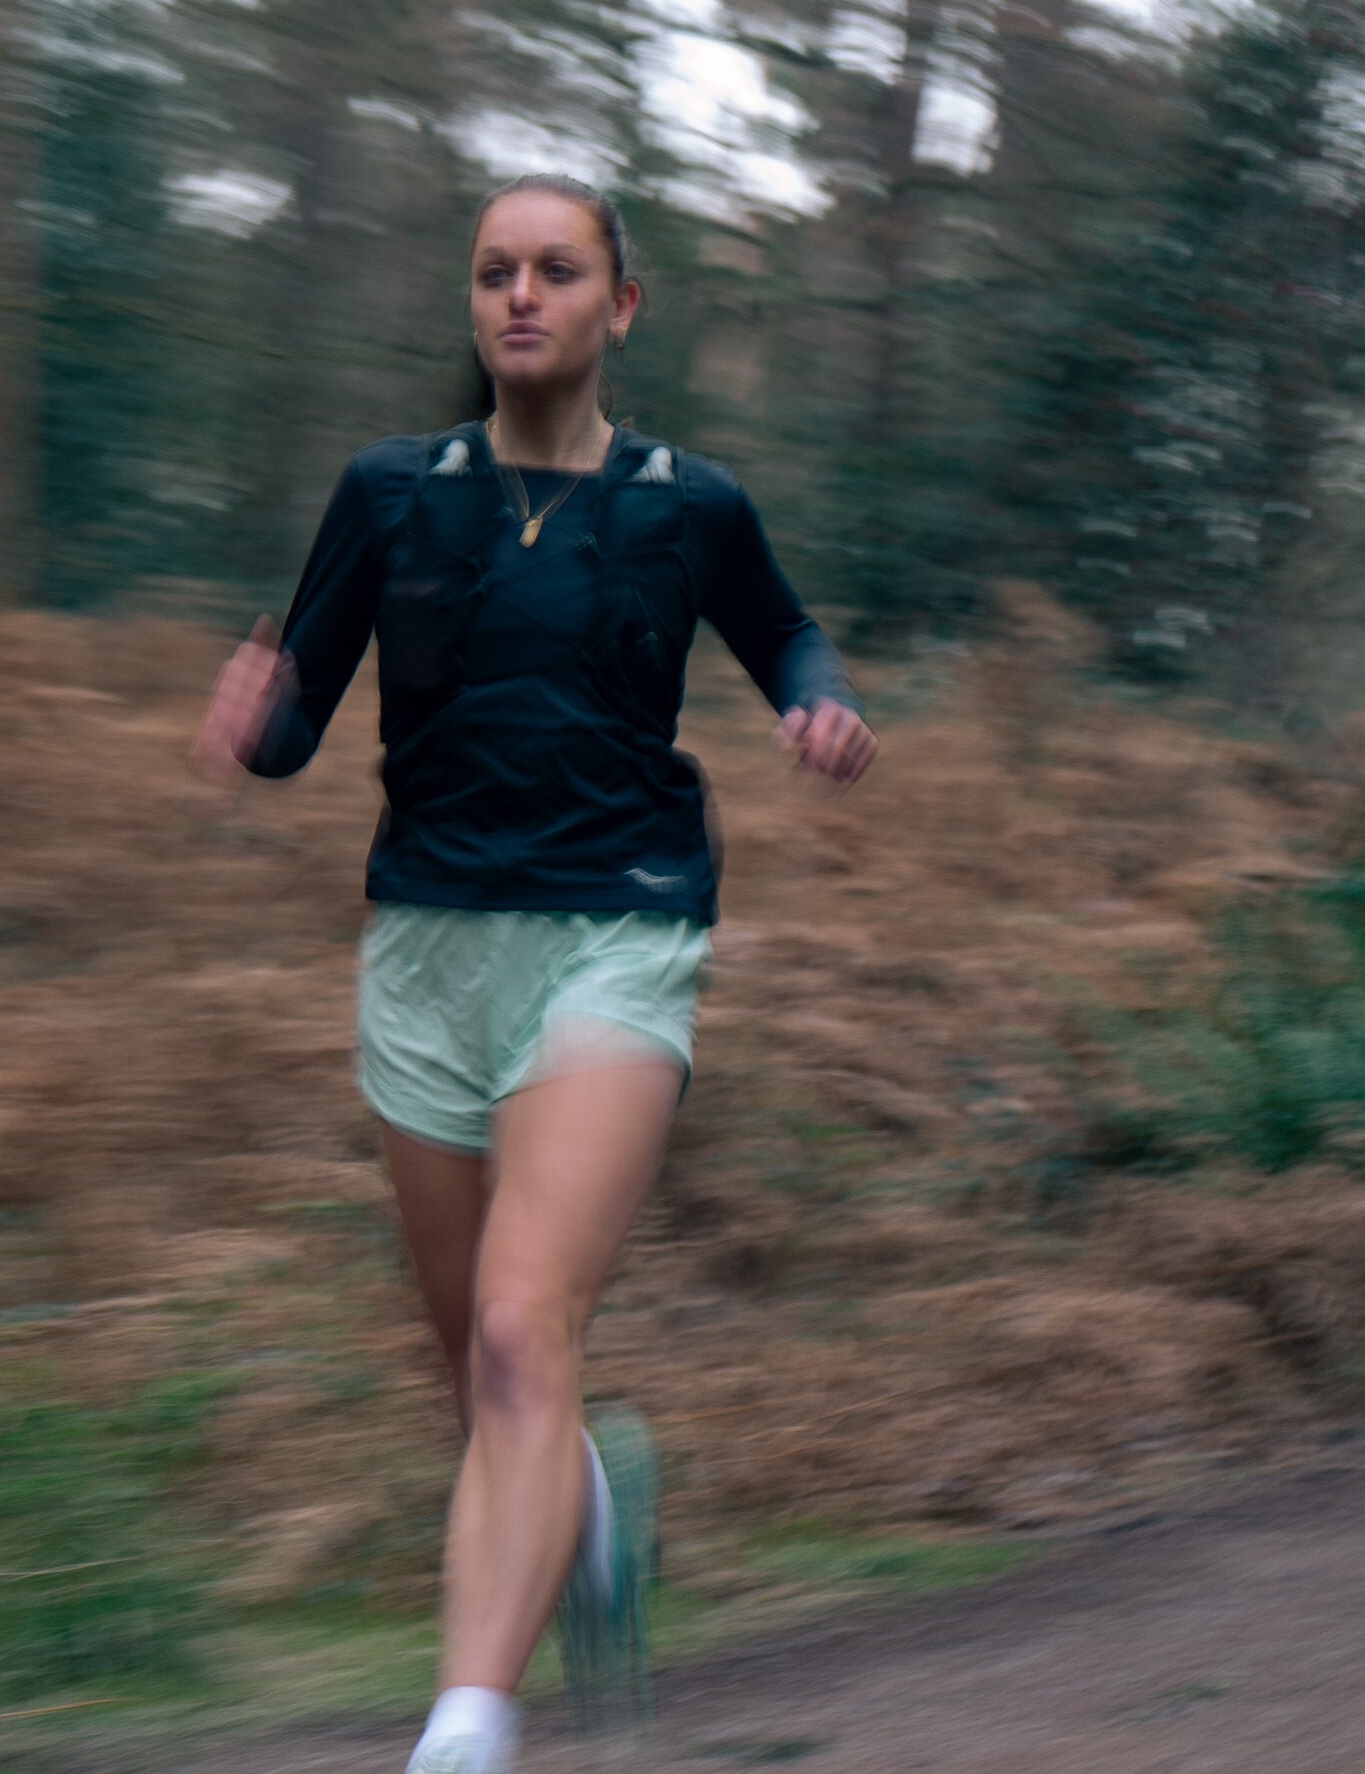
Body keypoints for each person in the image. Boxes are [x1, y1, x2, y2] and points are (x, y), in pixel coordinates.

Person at [188, 174, 875, 1774]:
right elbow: (302, 720)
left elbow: (788, 635)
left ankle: (467, 1729)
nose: (520, 296)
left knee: (517, 1328)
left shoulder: (688, 503)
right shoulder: (388, 494)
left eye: (556, 271)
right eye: (495, 271)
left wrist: (817, 707)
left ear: (617, 306)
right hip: (425, 951)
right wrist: (252, 719)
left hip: (619, 933)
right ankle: (587, 1511)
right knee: (483, 1384)